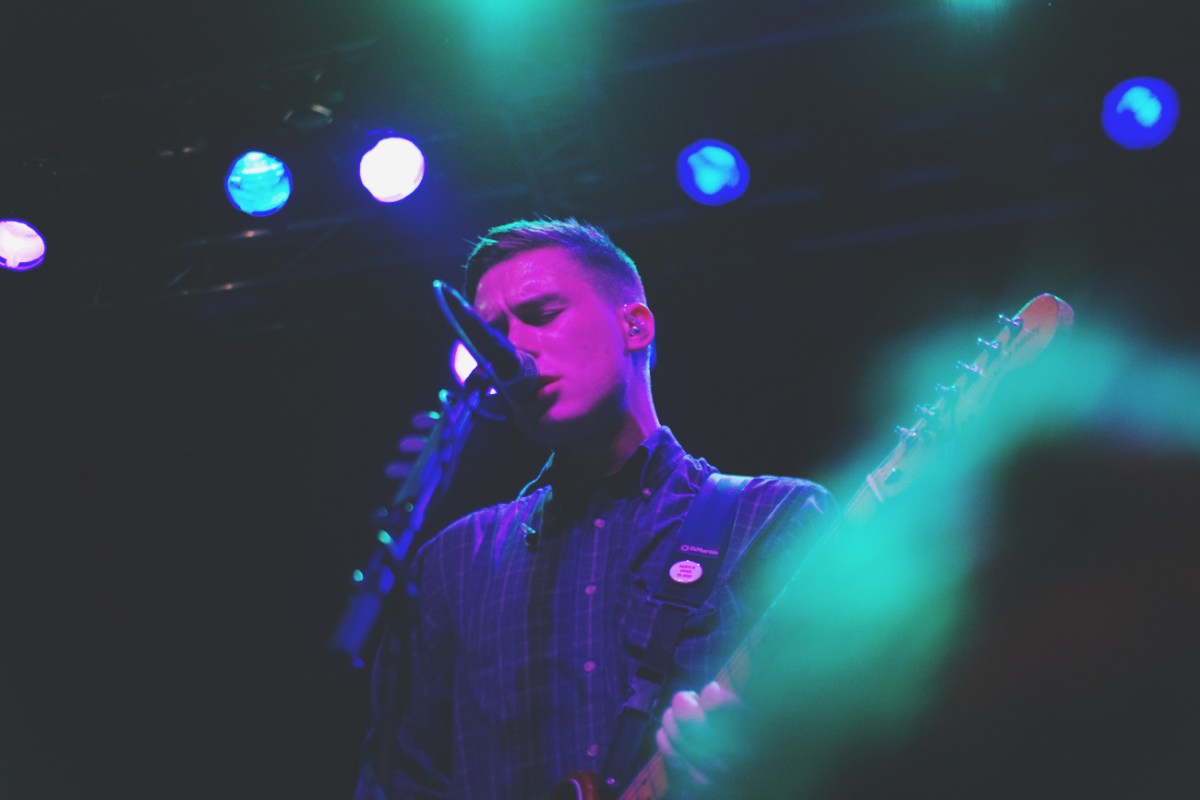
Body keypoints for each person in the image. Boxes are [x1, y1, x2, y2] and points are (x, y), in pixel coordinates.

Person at [355, 217, 835, 799]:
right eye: (493, 334)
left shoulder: (773, 520)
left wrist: (765, 766)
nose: (512, 347)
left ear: (634, 325)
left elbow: (861, 747)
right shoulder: (452, 566)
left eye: (541, 314)